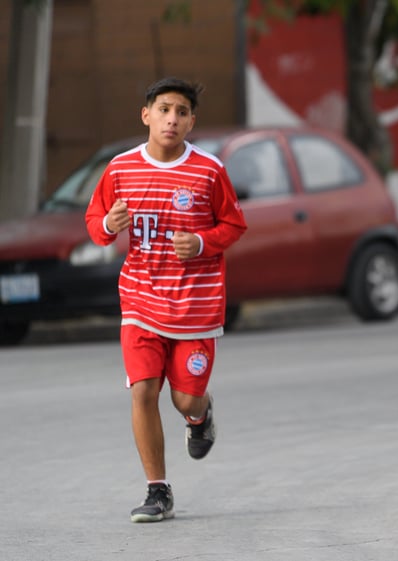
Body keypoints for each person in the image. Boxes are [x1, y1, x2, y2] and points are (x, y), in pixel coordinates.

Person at [85, 77, 248, 523]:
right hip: (140, 299)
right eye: (163, 110)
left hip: (196, 307)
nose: (171, 119)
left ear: (192, 121)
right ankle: (158, 490)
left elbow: (233, 225)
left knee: (184, 401)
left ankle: (201, 416)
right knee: (143, 391)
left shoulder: (209, 171)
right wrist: (108, 225)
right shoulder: (120, 169)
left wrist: (200, 242)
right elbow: (95, 221)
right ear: (146, 115)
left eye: (180, 112)